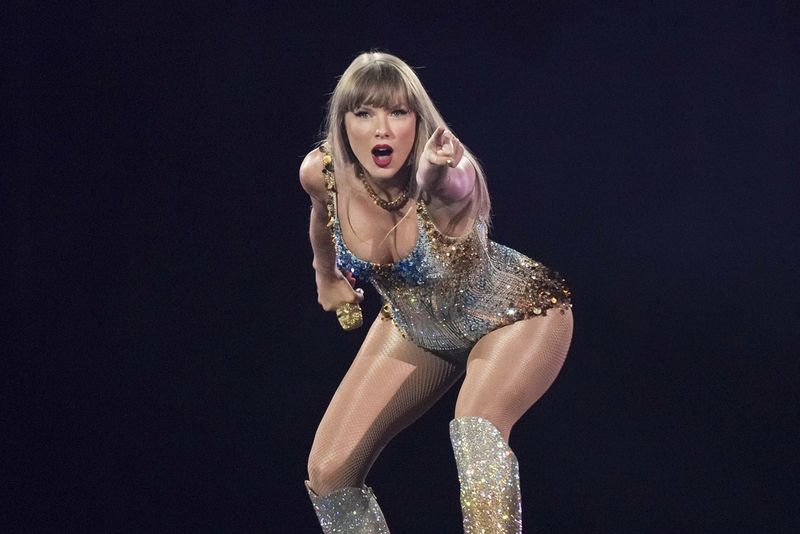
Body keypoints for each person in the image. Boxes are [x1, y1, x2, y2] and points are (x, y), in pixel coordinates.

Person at [299, 51, 573, 534]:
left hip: (514, 314)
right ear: (343, 124)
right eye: (364, 113)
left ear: (416, 120)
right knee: (329, 471)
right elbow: (322, 219)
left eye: (397, 112)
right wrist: (327, 276)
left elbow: (452, 184)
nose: (382, 130)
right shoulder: (322, 173)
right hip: (416, 323)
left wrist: (435, 173)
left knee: (476, 428)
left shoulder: (449, 173)